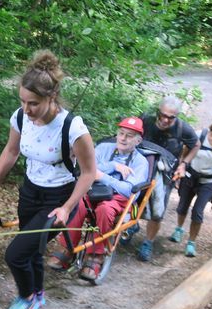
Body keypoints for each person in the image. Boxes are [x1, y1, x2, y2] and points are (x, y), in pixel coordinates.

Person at [0, 50, 96, 309]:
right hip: (30, 192)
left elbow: (89, 173)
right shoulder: (21, 118)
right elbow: (11, 150)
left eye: (33, 103)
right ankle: (38, 294)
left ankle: (26, 296)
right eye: (22, 101)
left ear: (51, 97)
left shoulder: (72, 127)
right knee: (30, 250)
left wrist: (67, 208)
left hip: (59, 199)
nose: (26, 109)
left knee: (15, 254)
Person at [47, 117, 149, 280]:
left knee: (104, 209)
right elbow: (87, 167)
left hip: (118, 200)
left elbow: (128, 190)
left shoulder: (141, 162)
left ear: (138, 140)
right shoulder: (103, 148)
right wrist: (113, 167)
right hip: (93, 191)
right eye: (121, 133)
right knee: (77, 203)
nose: (123, 138)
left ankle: (95, 256)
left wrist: (102, 176)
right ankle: (67, 248)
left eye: (129, 136)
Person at [137, 96, 201, 262]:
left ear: (177, 116)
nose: (165, 120)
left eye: (171, 117)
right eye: (163, 115)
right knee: (133, 200)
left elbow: (196, 145)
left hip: (165, 175)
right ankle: (131, 226)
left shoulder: (182, 129)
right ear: (158, 112)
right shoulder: (145, 121)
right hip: (141, 169)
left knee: (157, 210)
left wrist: (183, 164)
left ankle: (148, 242)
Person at [170, 111, 212, 257]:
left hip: (209, 182)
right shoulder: (199, 135)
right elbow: (184, 154)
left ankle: (191, 243)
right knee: (182, 206)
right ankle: (179, 229)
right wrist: (180, 173)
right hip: (190, 176)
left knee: (197, 212)